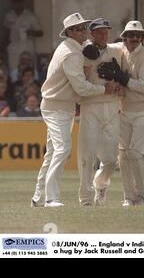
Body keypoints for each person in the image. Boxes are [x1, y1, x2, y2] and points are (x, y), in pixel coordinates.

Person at [31, 13, 116, 208]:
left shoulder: (73, 47)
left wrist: (88, 58)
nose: (84, 31)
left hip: (62, 106)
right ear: (69, 32)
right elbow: (82, 88)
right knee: (62, 149)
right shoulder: (70, 53)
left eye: (84, 27)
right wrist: (105, 89)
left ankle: (38, 196)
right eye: (79, 29)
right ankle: (51, 198)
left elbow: (81, 79)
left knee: (53, 152)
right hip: (56, 107)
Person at [78, 18, 123, 206]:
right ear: (92, 34)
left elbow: (125, 71)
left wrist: (119, 83)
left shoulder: (117, 50)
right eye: (99, 32)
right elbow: (81, 81)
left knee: (111, 159)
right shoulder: (84, 52)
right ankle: (86, 199)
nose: (104, 36)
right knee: (87, 156)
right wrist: (86, 46)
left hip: (112, 107)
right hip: (90, 106)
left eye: (106, 32)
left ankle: (100, 185)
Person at [116, 20, 144, 206]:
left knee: (134, 152)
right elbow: (104, 47)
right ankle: (129, 197)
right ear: (124, 37)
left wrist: (123, 79)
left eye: (138, 36)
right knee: (123, 154)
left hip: (141, 110)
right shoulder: (120, 50)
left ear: (142, 38)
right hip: (123, 109)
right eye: (130, 35)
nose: (134, 39)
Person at [2, 0, 43, 82]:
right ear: (12, 3)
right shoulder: (9, 16)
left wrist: (30, 32)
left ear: (23, 2)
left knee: (30, 69)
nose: (17, 5)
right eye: (15, 3)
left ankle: (33, 89)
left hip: (27, 47)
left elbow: (40, 33)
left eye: (19, 2)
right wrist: (3, 48)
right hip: (13, 48)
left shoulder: (30, 16)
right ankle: (16, 89)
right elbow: (6, 33)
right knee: (14, 71)